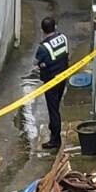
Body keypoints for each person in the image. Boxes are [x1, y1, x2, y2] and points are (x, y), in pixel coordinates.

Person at [34, 16, 70, 150]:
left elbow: (36, 62)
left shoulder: (43, 48)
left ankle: (55, 139)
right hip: (63, 77)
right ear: (55, 27)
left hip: (51, 81)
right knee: (56, 104)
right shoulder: (63, 38)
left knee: (53, 110)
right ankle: (53, 128)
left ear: (42, 30)